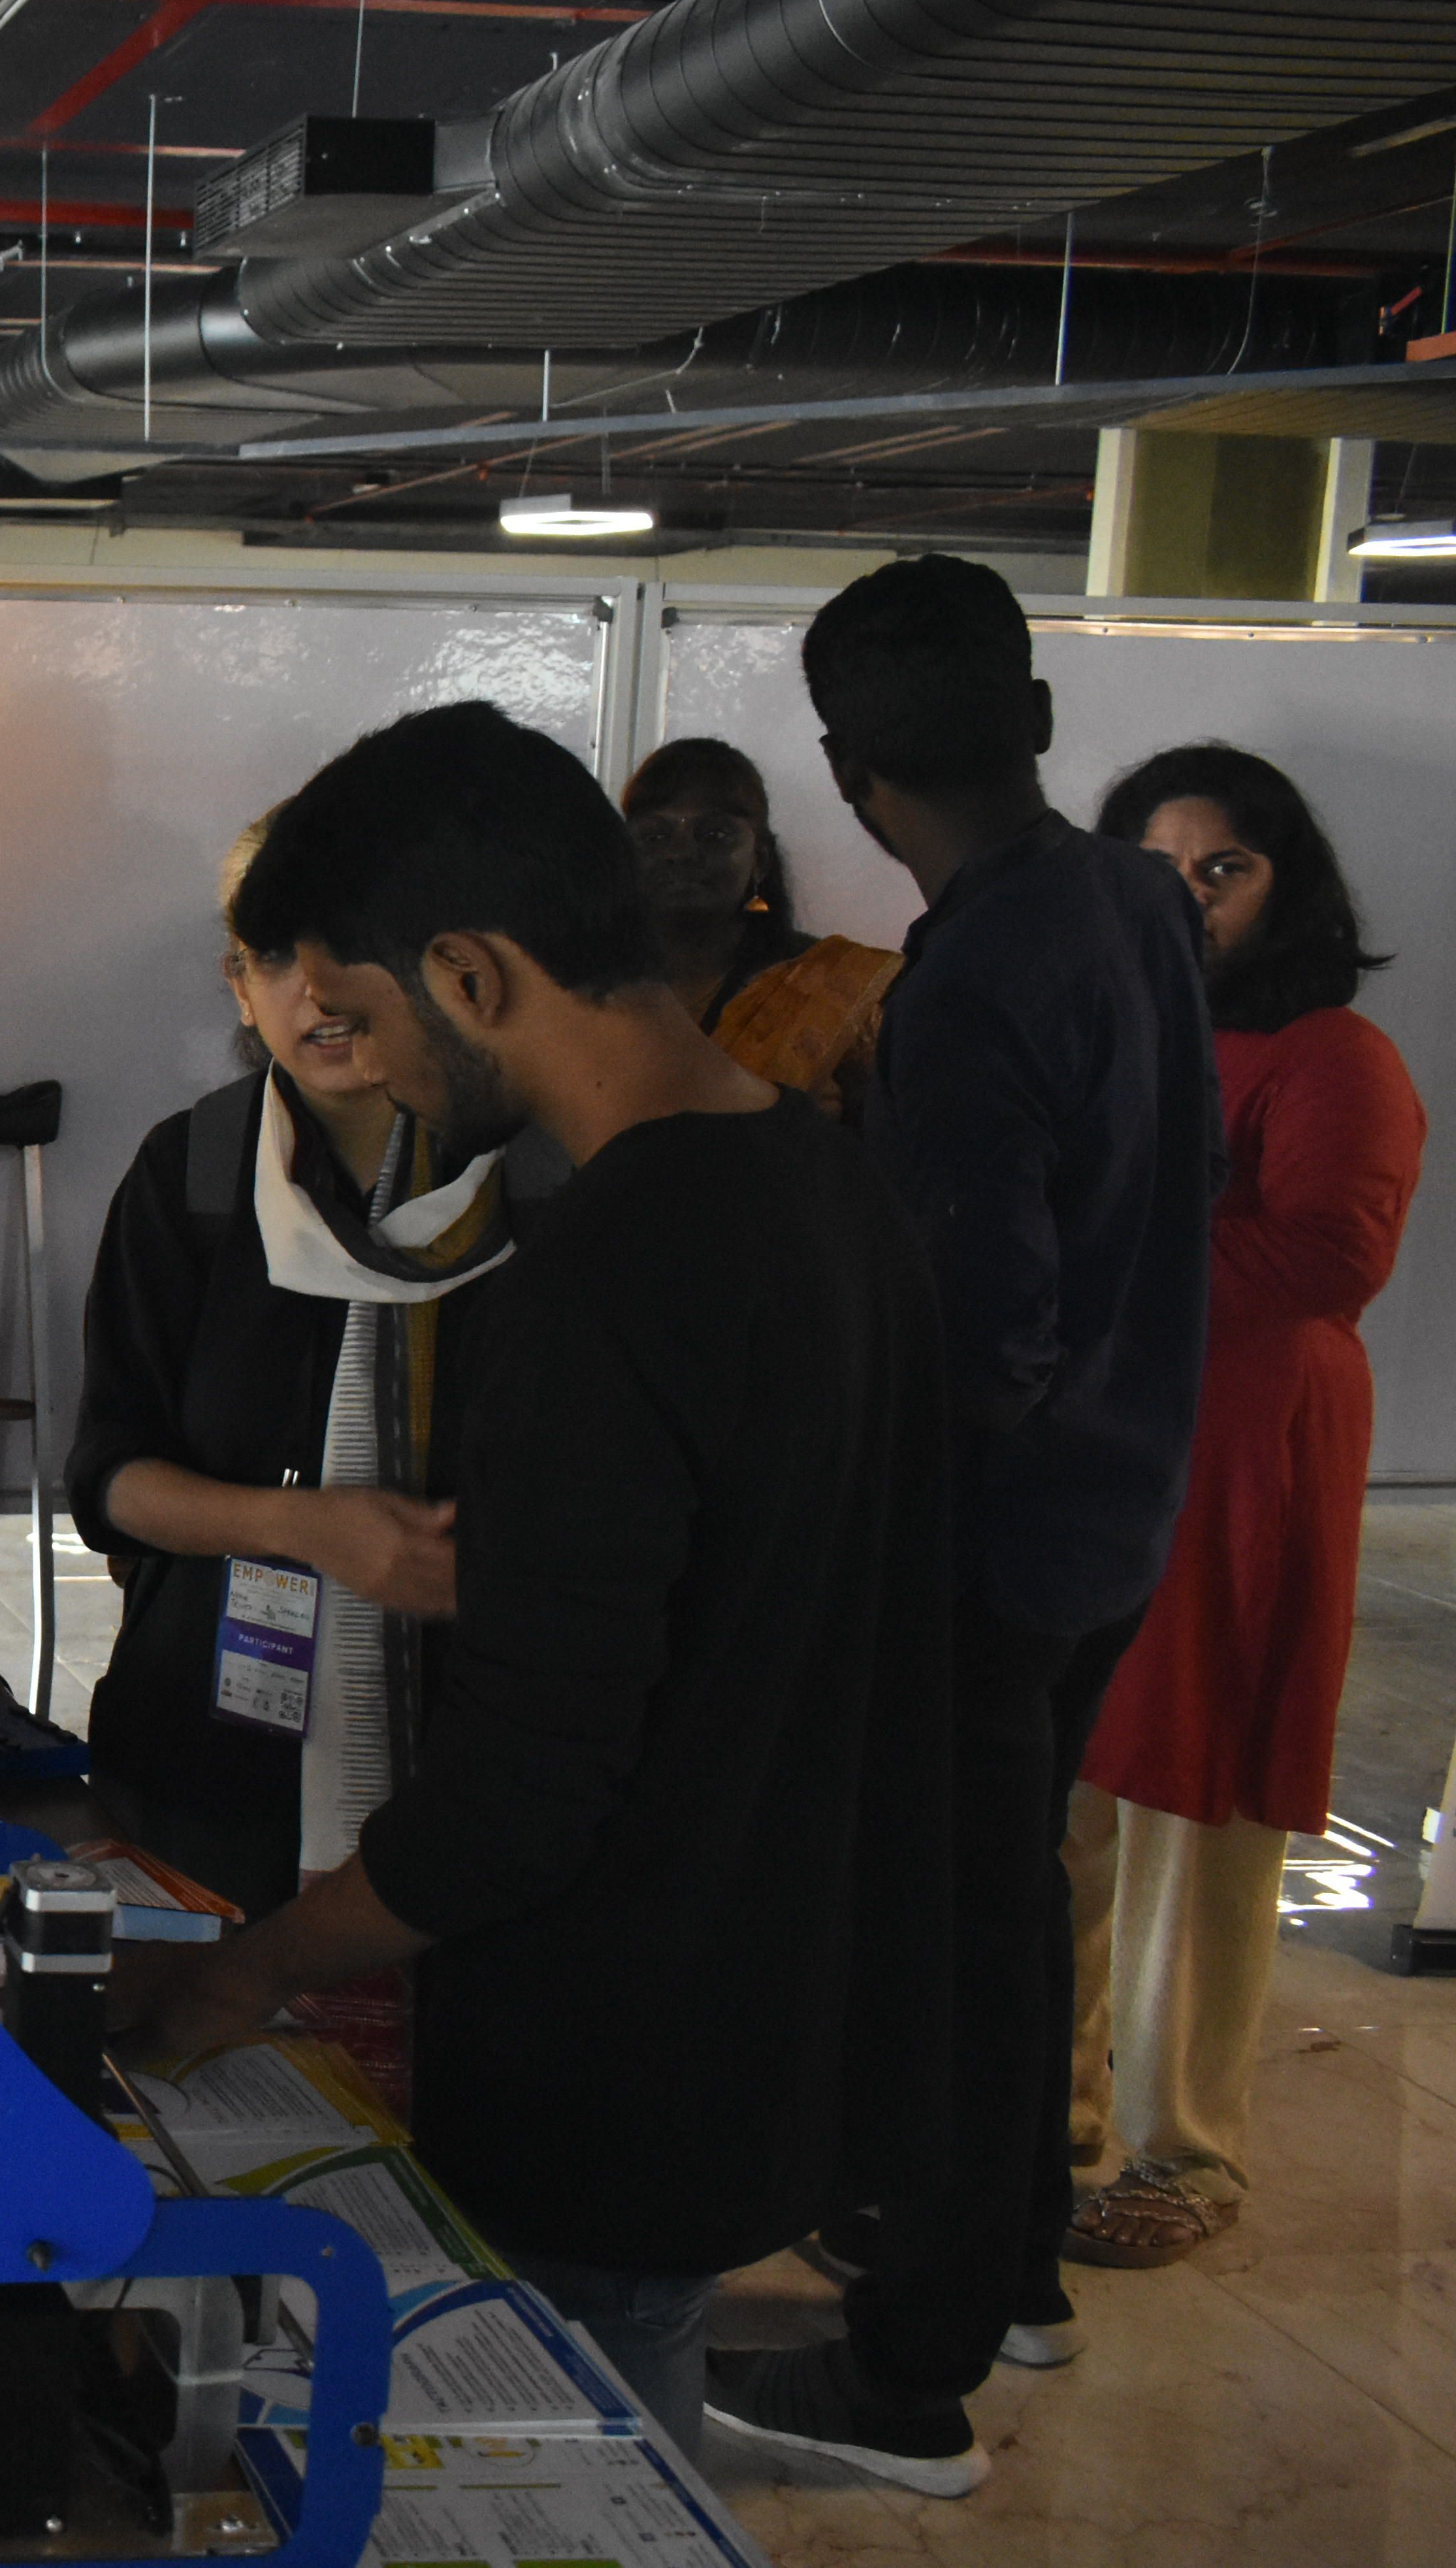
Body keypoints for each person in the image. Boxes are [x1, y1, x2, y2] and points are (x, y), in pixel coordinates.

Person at [129, 700, 958, 2462]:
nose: (373, 1070)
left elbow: (522, 1797)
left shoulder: (606, 1272)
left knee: (561, 2462)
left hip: (601, 2067)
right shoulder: (832, 1190)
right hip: (761, 2024)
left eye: (368, 1019)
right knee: (630, 2432)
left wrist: (253, 1969)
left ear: (473, 976)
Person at [706, 554, 1220, 2495]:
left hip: (990, 1536)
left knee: (949, 1944)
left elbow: (976, 1332)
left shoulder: (976, 971)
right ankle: (1013, 2273)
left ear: (848, 774)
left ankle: (907, 2377)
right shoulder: (1129, 901)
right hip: (1119, 1502)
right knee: (1008, 1908)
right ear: (1039, 720)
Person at [1063, 745, 1421, 2269]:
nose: (1191, 898)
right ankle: (1053, 2115)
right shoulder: (1109, 1032)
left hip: (1247, 1448)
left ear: (1289, 886)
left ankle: (1186, 2145)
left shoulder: (1333, 1054)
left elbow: (1328, 1256)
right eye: (1160, 870)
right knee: (1070, 1787)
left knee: (1197, 1792)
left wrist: (1095, 1252)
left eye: (1226, 868)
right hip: (1095, 1444)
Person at [66, 818, 527, 1929]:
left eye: (349, 945)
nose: (315, 991)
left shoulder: (533, 1180)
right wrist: (304, 1527)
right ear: (238, 986)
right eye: (273, 957)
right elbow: (109, 1480)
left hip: (482, 1750)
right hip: (213, 1761)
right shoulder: (193, 1174)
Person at [622, 736, 899, 1114]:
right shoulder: (590, 984)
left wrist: (807, 1125)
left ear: (761, 859)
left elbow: (897, 1134)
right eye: (655, 836)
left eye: (714, 834)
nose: (680, 852)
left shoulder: (830, 987)